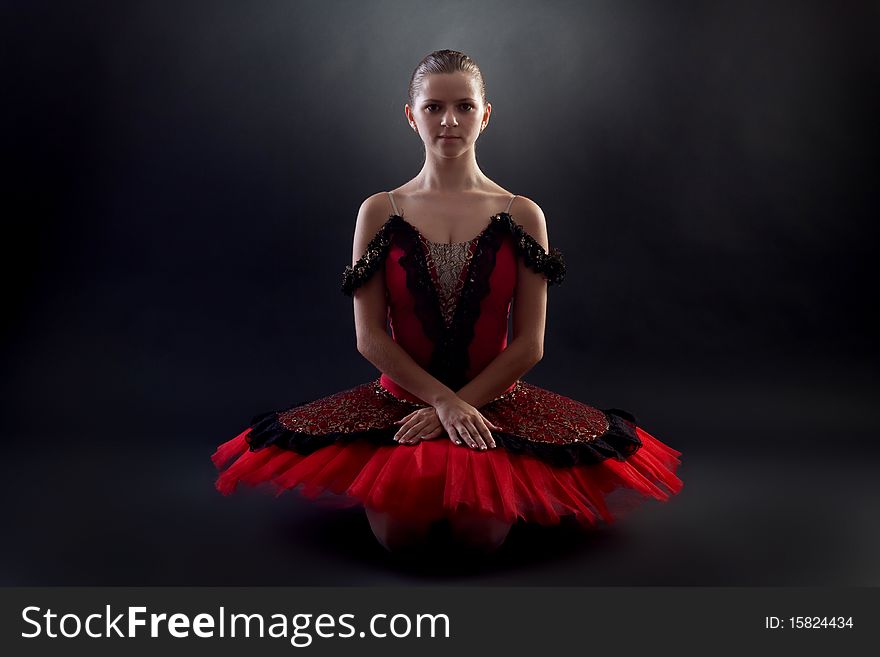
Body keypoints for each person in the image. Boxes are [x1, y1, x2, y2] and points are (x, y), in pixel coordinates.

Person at [211, 49, 683, 558]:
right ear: (411, 116)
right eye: (434, 107)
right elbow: (369, 336)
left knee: (479, 540)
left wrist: (461, 407)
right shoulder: (379, 210)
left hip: (494, 400)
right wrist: (440, 401)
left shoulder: (523, 214)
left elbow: (530, 344)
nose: (449, 120)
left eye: (463, 105)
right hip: (401, 402)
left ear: (485, 113)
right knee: (400, 538)